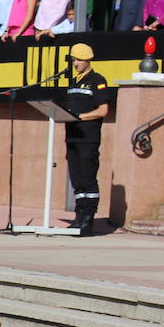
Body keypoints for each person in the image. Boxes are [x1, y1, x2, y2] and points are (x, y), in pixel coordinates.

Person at [54, 42, 111, 236]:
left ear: (87, 59)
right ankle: (79, 215)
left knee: (88, 177)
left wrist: (82, 117)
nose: (75, 63)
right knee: (76, 178)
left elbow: (103, 110)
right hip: (72, 138)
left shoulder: (97, 80)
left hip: (88, 138)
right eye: (73, 60)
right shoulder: (73, 82)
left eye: (78, 59)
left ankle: (89, 218)